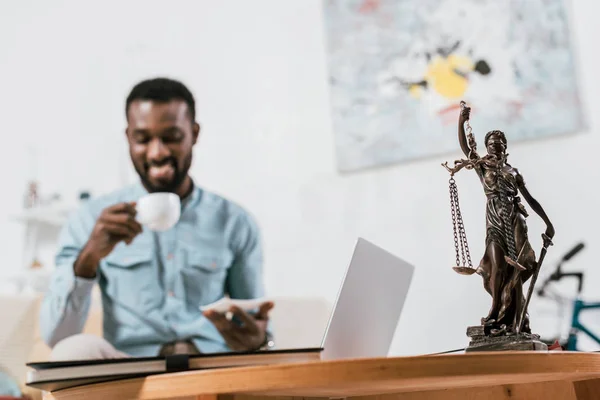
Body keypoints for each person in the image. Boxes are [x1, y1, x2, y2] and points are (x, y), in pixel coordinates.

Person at [40, 77, 274, 360]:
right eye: (143, 139)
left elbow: (252, 319)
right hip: (130, 370)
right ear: (128, 137)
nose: (157, 152)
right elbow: (57, 338)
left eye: (171, 137)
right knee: (72, 352)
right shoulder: (91, 219)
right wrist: (88, 257)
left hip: (211, 367)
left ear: (194, 133)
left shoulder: (234, 222)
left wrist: (260, 339)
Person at [444, 104, 554, 335]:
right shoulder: (483, 168)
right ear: (487, 148)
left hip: (514, 220)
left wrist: (548, 223)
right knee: (497, 267)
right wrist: (462, 121)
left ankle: (516, 320)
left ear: (505, 148)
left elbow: (530, 200)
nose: (495, 148)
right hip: (493, 219)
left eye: (499, 145)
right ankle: (495, 310)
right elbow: (466, 149)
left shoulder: (514, 172)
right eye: (491, 145)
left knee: (517, 268)